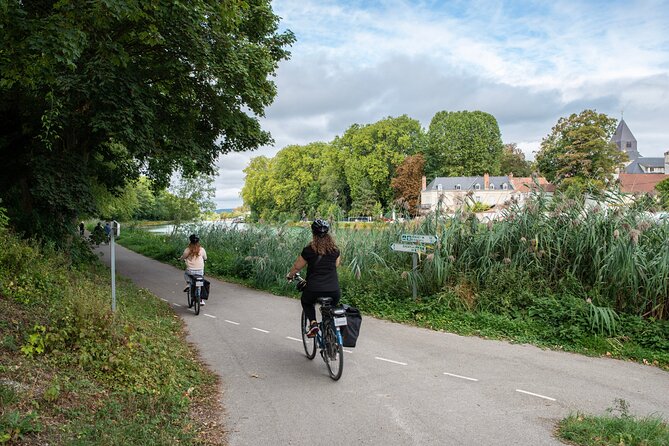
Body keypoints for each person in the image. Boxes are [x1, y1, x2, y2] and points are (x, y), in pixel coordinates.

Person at [286, 219, 341, 338]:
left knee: (306, 301)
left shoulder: (308, 250)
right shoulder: (335, 250)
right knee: (329, 311)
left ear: (313, 233)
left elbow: (297, 267)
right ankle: (331, 335)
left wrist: (290, 276)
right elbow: (336, 265)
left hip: (314, 289)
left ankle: (313, 323)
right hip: (334, 290)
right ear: (327, 234)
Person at [179, 234, 208, 305]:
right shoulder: (202, 249)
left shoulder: (187, 250)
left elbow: (183, 257)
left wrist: (180, 259)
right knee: (200, 282)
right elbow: (205, 258)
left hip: (190, 270)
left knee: (186, 274)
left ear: (190, 241)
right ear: (198, 242)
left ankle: (189, 283)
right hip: (200, 271)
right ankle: (200, 300)